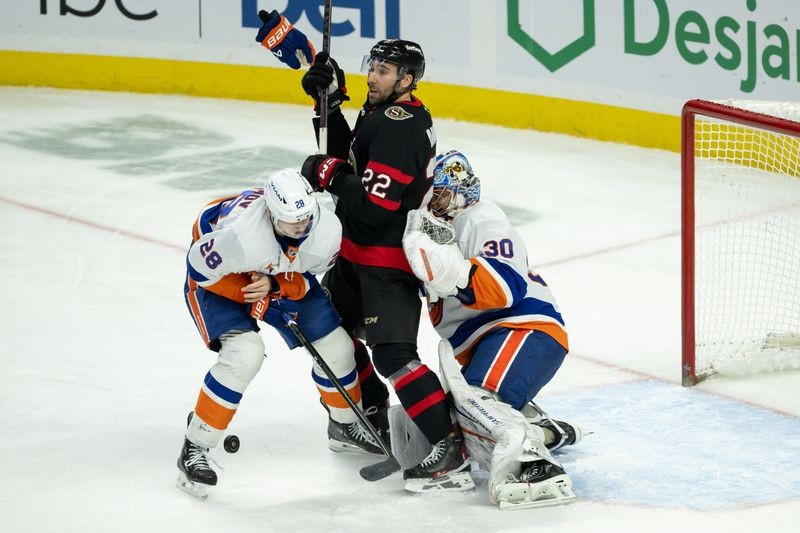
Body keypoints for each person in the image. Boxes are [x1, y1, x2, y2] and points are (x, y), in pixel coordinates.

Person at [297, 41, 473, 493]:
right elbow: (351, 156)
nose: (372, 77)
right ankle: (370, 411)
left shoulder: (402, 124)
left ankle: (446, 447)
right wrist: (330, 106)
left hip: (386, 259)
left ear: (407, 80)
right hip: (356, 252)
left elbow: (375, 206)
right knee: (332, 335)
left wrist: (330, 176)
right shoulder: (382, 111)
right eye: (372, 67)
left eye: (384, 70)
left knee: (393, 354)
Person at [177, 168, 382, 499]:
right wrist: (249, 287)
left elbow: (304, 279)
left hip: (276, 274)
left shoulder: (326, 229)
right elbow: (199, 269)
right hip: (222, 277)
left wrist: (275, 285)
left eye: (304, 217)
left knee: (339, 348)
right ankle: (195, 446)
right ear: (271, 214)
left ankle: (344, 426)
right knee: (245, 355)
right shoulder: (239, 235)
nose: (300, 226)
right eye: (290, 221)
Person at [401, 150, 582, 508]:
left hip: (521, 329)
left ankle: (535, 466)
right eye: (432, 194)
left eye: (442, 193)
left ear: (462, 190)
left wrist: (454, 275)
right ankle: (543, 430)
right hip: (489, 341)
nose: (435, 201)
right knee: (454, 422)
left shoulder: (482, 220)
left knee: (479, 407)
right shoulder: (430, 226)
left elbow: (506, 287)